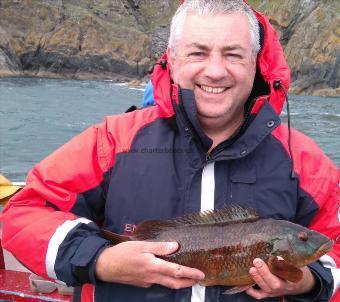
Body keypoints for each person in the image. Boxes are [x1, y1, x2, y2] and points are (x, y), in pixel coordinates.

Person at [1, 0, 339, 301]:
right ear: (173, 61)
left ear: (256, 64)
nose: (216, 70)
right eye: (198, 52)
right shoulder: (112, 140)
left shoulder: (305, 161)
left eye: (233, 54)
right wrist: (101, 260)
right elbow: (22, 213)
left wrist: (309, 282)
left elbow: (333, 246)